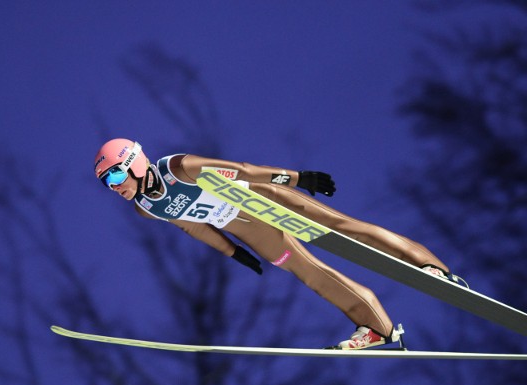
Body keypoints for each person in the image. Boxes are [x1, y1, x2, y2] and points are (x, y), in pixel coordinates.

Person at [94, 138, 461, 349]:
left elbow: (242, 170)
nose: (114, 186)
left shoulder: (179, 168)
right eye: (106, 183)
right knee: (307, 271)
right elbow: (193, 227)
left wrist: (299, 178)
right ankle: (376, 327)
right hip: (245, 228)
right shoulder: (146, 208)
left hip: (263, 197)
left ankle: (431, 268)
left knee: (343, 228)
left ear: (134, 162)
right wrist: (233, 252)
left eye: (114, 174)